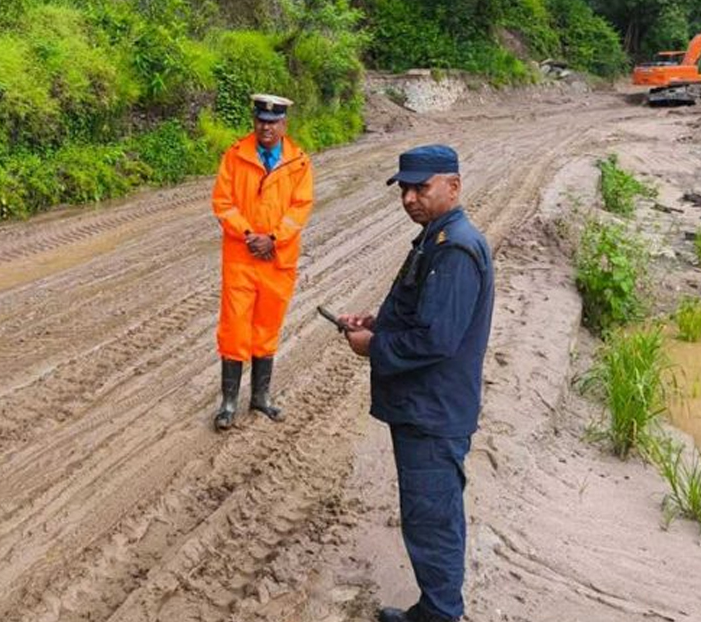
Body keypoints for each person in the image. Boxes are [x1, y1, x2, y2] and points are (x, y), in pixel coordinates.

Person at [336, 144, 494, 622]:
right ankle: (437, 607)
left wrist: (372, 346)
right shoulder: (437, 238)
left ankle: (441, 614)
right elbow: (422, 314)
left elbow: (434, 339)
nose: (409, 198)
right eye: (404, 188)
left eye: (421, 187)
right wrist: (377, 322)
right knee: (432, 513)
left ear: (453, 186)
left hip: (433, 412)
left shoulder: (455, 249)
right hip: (429, 407)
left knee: (432, 518)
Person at [210, 93, 315, 431]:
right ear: (254, 121)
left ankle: (260, 396)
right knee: (234, 327)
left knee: (267, 327)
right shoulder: (235, 156)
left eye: (272, 122)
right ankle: (228, 402)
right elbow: (223, 203)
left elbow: (300, 208)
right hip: (241, 257)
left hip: (277, 259)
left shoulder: (299, 163)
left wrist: (273, 238)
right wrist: (247, 234)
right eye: (260, 121)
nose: (265, 127)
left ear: (284, 124)